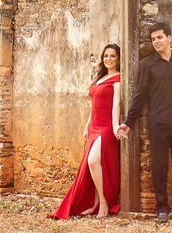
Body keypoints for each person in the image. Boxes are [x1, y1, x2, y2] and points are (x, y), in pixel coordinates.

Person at [116, 22, 172, 224]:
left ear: (169, 38)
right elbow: (140, 96)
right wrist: (128, 122)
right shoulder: (147, 65)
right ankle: (162, 209)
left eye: (159, 37)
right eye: (153, 39)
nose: (156, 42)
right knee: (159, 167)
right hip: (159, 124)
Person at [49, 44, 123, 219]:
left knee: (93, 161)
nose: (109, 59)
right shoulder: (100, 78)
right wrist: (86, 126)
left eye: (112, 56)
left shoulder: (118, 78)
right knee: (94, 166)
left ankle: (104, 202)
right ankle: (96, 204)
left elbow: (116, 104)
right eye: (106, 56)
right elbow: (94, 105)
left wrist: (115, 126)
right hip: (94, 126)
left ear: (118, 59)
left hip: (106, 127)